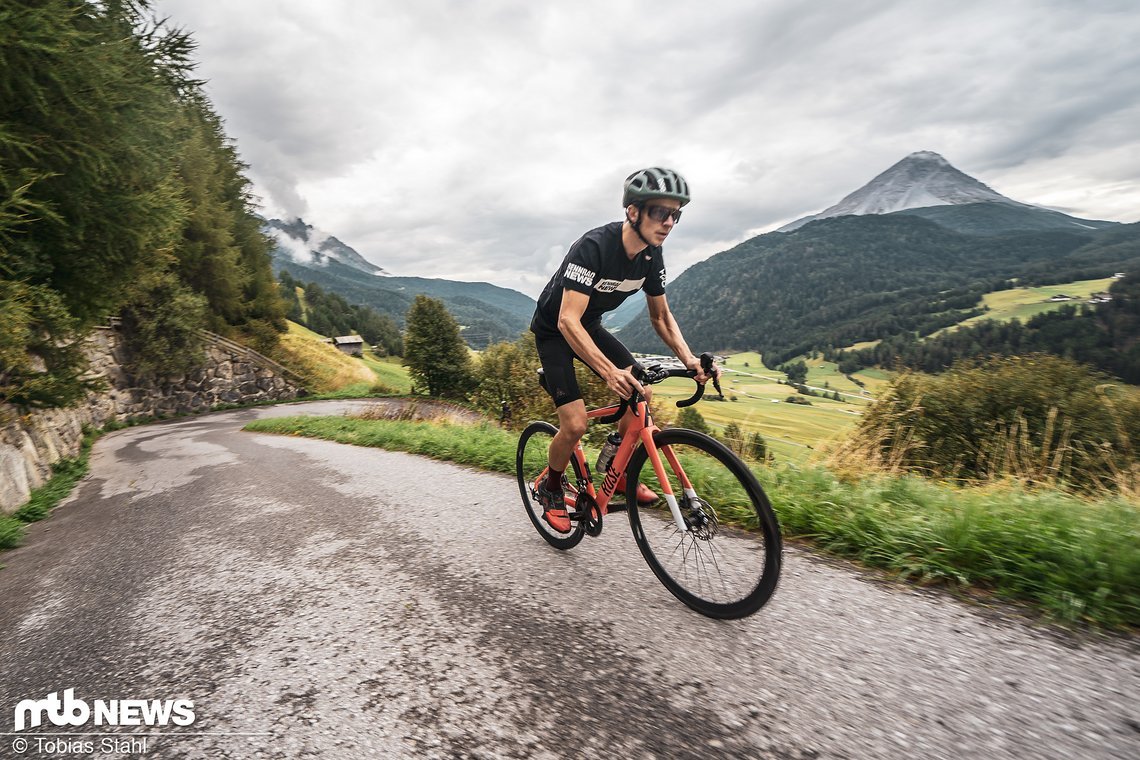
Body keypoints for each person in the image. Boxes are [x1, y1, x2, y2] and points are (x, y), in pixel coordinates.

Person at [529, 167, 718, 532]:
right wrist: (608, 371)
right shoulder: (595, 247)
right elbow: (568, 320)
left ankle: (617, 465)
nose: (669, 222)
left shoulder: (651, 256)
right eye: (660, 212)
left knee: (641, 391)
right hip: (555, 331)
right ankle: (550, 487)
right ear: (633, 211)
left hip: (591, 327)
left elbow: (660, 317)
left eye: (675, 215)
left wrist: (691, 360)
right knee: (575, 423)